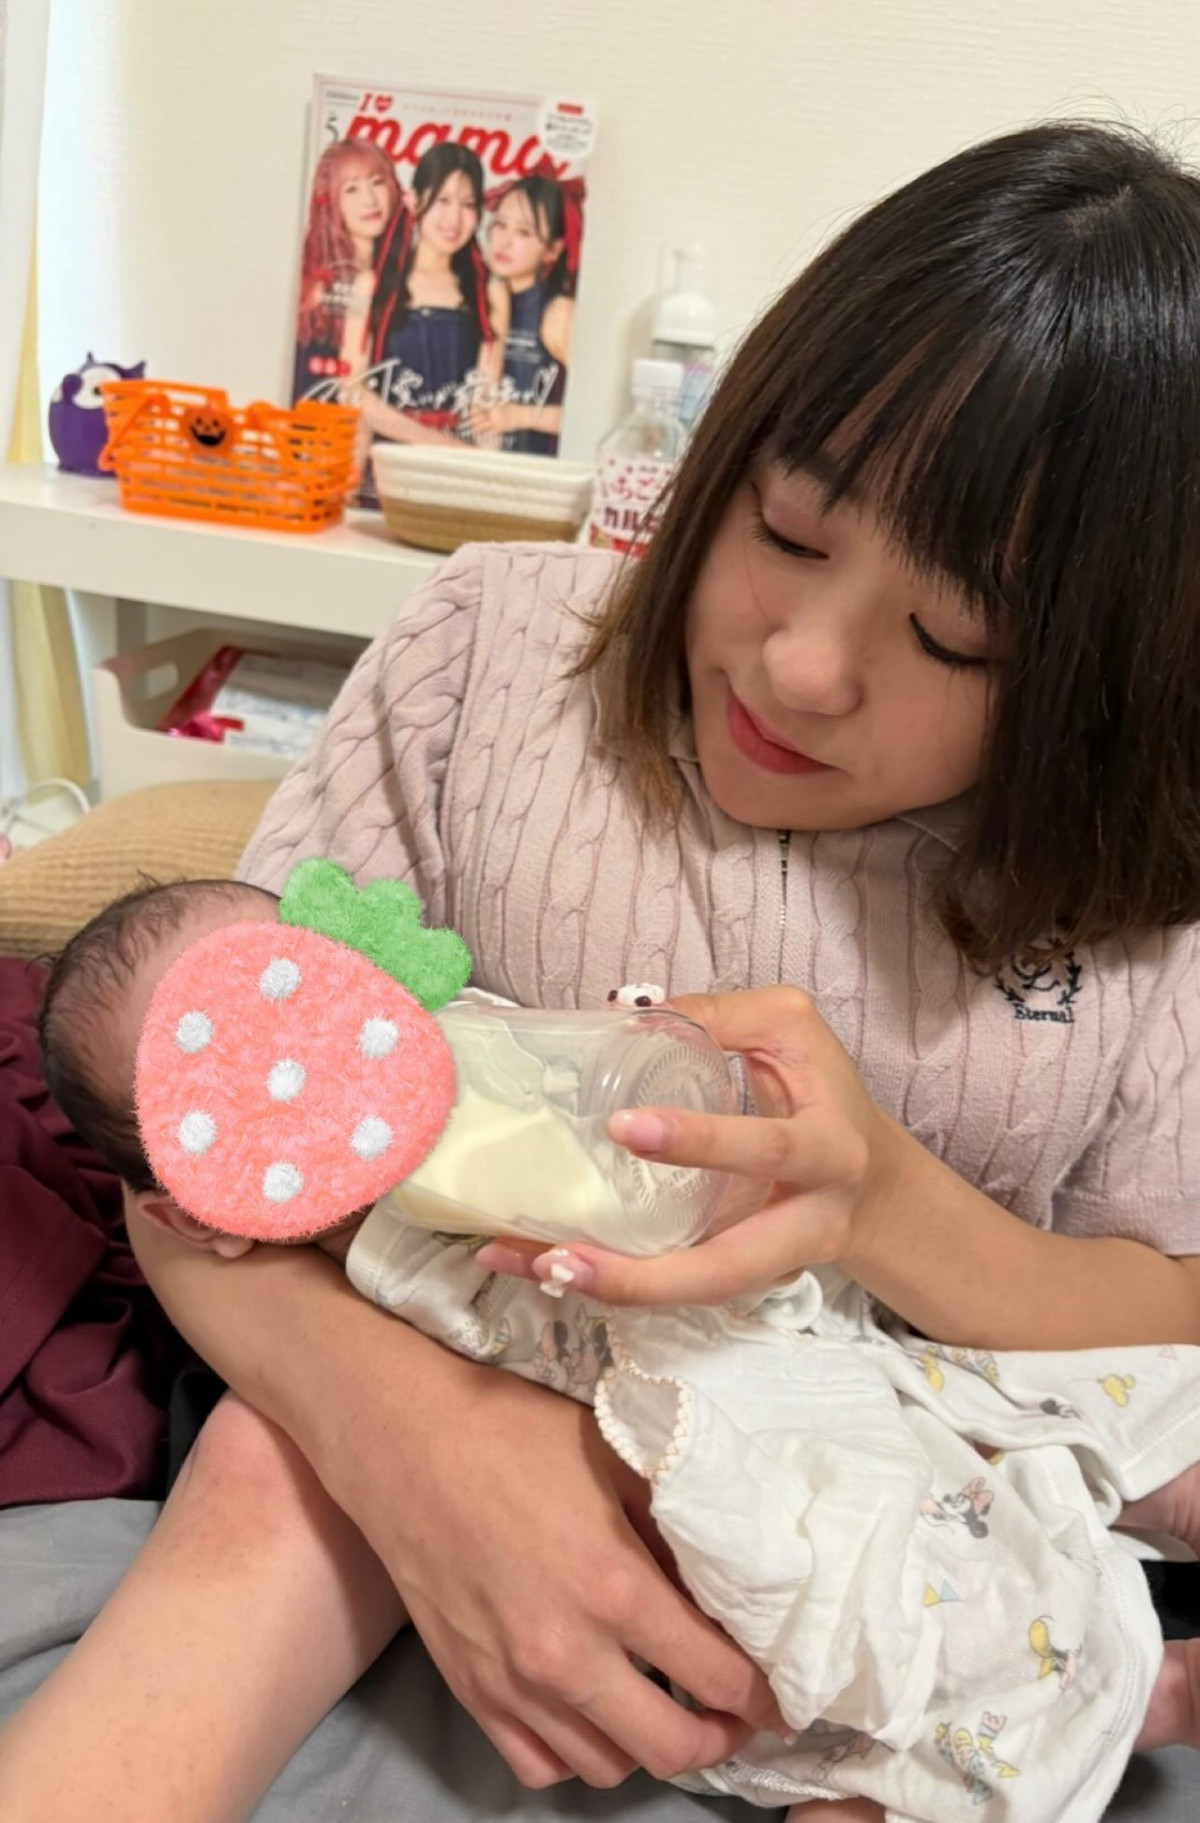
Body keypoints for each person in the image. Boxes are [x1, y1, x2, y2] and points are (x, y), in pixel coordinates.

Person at [3, 119, 1200, 1823]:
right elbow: (202, 1133)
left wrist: (882, 1205)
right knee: (267, 1475)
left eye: (954, 638)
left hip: (877, 1457)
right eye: (787, 529)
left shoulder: (1135, 894)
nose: (801, 666)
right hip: (432, 1365)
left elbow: (1165, 1309)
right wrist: (415, 1440)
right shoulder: (487, 655)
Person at [16, 873, 1200, 1820]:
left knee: (1086, 1407)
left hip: (837, 1324)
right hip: (686, 1456)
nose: (323, 1066)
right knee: (841, 1647)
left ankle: (1137, 1561)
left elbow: (600, 1084)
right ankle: (1130, 1693)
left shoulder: (467, 1047)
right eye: (250, 1089)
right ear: (209, 1209)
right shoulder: (354, 1255)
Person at [341, 141, 502, 461]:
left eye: (467, 204)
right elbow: (352, 392)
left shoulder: (490, 290)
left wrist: (485, 470)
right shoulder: (370, 286)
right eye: (442, 200)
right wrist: (441, 445)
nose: (454, 219)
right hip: (387, 463)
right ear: (413, 202)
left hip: (458, 469)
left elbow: (486, 405)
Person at [470, 167, 582, 454]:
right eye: (500, 225)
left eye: (523, 232)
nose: (504, 241)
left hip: (531, 471)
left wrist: (521, 416)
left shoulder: (558, 313)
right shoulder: (476, 298)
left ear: (552, 250)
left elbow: (593, 409)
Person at [292, 138, 402, 404]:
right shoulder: (322, 281)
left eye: (377, 182)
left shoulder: (396, 273)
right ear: (330, 202)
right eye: (351, 189)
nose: (370, 199)